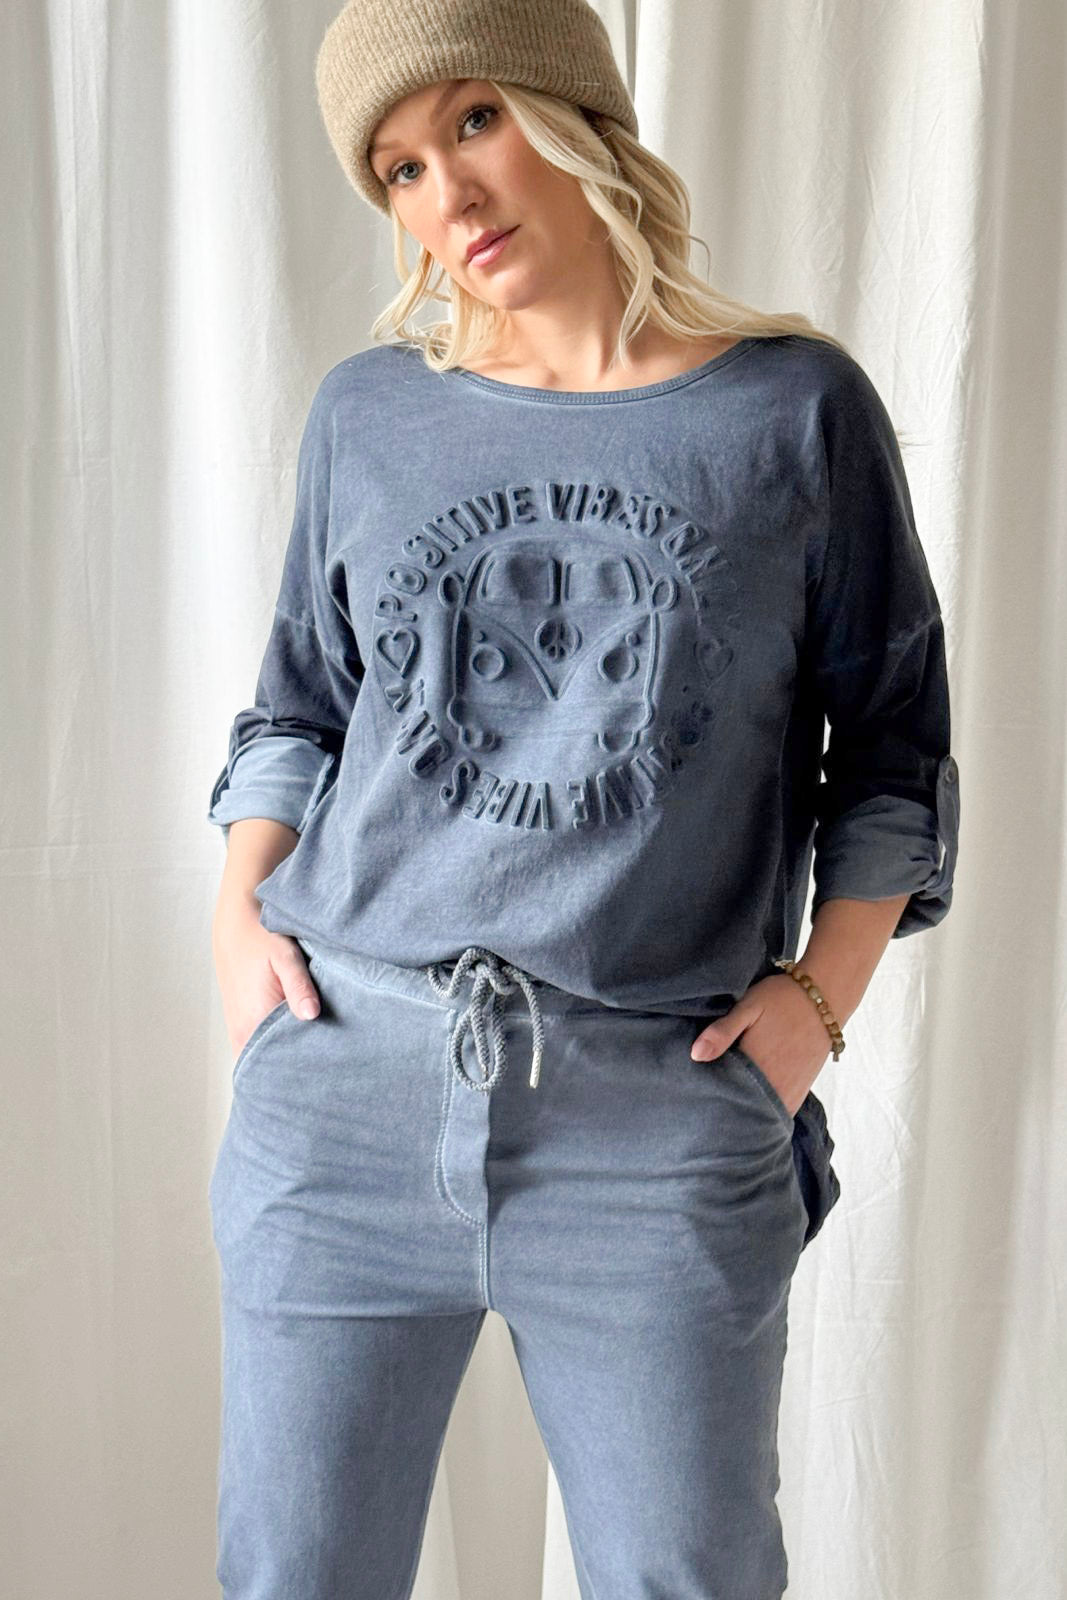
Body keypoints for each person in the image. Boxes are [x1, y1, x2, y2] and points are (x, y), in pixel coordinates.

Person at [205, 1, 961, 1595]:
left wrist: (817, 1005)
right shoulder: (370, 414)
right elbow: (297, 709)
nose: (450, 196)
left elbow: (893, 756)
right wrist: (238, 919)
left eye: (475, 120)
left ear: (576, 114)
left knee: (687, 1573)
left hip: (655, 1109)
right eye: (401, 170)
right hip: (343, 1087)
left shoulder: (791, 414)